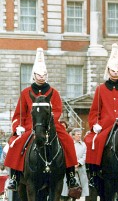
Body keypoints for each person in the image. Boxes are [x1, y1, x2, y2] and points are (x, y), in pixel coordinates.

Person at [4, 48, 79, 191]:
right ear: (34, 75)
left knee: (68, 141)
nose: (42, 77)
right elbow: (19, 114)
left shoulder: (53, 92)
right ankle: (14, 177)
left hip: (50, 125)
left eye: (44, 74)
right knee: (16, 143)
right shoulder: (25, 93)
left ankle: (70, 176)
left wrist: (49, 120)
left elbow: (57, 110)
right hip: (29, 126)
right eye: (39, 74)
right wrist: (18, 127)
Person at [84, 43, 118, 188]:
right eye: (113, 70)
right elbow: (94, 112)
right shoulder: (100, 89)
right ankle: (94, 172)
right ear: (108, 71)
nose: (115, 73)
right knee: (93, 141)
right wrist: (94, 124)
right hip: (105, 126)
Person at [61, 128, 89, 201]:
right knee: (66, 187)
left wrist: (79, 163)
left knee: (76, 187)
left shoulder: (83, 145)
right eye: (77, 134)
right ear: (73, 136)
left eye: (80, 134)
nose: (79, 136)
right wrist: (72, 163)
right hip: (69, 168)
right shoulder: (69, 143)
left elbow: (84, 155)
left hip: (79, 168)